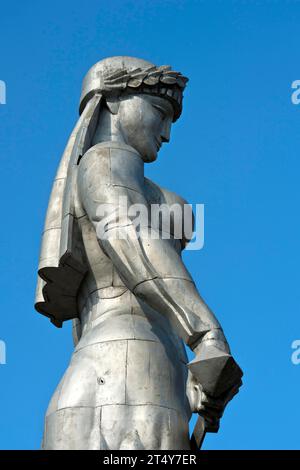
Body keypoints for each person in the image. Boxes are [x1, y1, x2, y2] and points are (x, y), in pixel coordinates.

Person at [36, 56, 242, 450]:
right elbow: (127, 232)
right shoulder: (107, 157)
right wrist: (205, 334)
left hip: (102, 375)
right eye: (160, 112)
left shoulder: (112, 172)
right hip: (130, 372)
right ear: (113, 101)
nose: (166, 134)